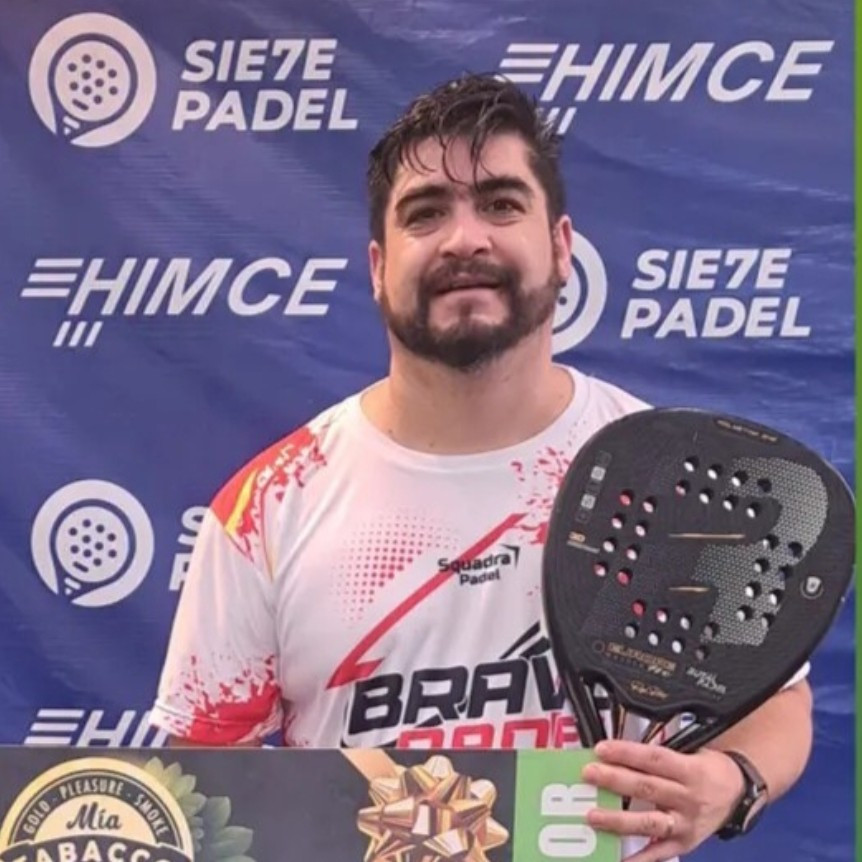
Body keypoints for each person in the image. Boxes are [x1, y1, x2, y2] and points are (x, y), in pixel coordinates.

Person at [150, 74, 813, 861]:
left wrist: (733, 782)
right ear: (377, 265)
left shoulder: (669, 474)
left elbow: (778, 705)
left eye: (500, 204)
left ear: (560, 247)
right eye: (425, 213)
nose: (464, 239)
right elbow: (201, 782)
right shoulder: (272, 504)